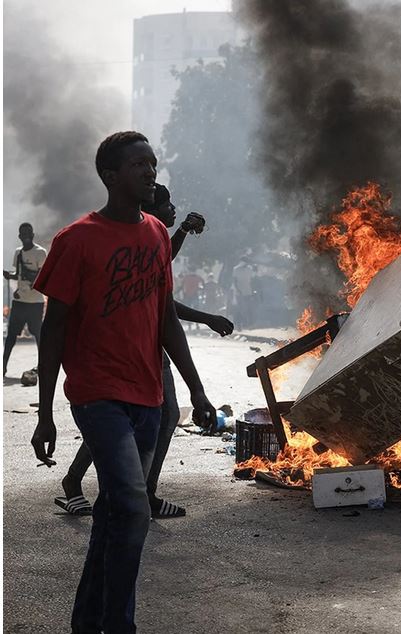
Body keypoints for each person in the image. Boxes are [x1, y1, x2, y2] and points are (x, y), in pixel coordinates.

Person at [31, 131, 219, 633]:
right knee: (135, 512)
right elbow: (53, 332)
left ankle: (86, 623)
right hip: (97, 396)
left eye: (153, 163)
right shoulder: (76, 241)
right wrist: (45, 411)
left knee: (112, 515)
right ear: (111, 176)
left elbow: (166, 320)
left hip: (148, 399)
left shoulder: (157, 234)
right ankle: (120, 625)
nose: (150, 172)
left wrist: (196, 390)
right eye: (139, 164)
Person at [56, 183, 233, 519]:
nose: (172, 209)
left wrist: (180, 231)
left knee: (139, 419)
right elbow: (163, 298)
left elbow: (162, 271)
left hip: (152, 348)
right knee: (125, 419)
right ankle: (132, 492)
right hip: (125, 350)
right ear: (147, 209)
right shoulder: (118, 241)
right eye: (165, 204)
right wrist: (207, 317)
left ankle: (127, 490)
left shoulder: (154, 240)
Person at [3, 223, 47, 376]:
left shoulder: (40, 253)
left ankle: (43, 366)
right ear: (20, 237)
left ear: (33, 235)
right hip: (20, 301)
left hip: (35, 302)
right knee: (11, 336)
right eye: (23, 235)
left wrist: (29, 279)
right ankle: (3, 367)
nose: (26, 237)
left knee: (38, 335)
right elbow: (19, 274)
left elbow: (43, 277)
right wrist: (10, 276)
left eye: (28, 234)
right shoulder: (18, 253)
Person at [232, 256, 255, 329]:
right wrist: (238, 290)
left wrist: (253, 290)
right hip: (239, 293)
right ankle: (238, 324)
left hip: (248, 292)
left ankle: (247, 323)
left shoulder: (250, 269)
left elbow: (251, 281)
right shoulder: (236, 269)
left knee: (247, 308)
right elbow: (234, 281)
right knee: (239, 308)